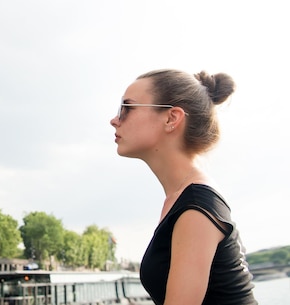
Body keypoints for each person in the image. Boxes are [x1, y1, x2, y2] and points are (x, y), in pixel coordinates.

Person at [110, 69, 257, 305]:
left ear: (171, 118)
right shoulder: (185, 200)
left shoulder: (195, 207)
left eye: (127, 107)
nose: (115, 119)